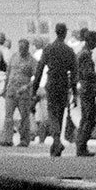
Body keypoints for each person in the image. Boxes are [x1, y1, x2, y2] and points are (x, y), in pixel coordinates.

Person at [33, 24, 75, 157]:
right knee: (60, 113)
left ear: (56, 32)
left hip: (51, 83)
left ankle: (56, 141)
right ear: (65, 33)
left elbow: (40, 69)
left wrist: (35, 87)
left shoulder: (48, 49)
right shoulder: (69, 50)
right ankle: (57, 142)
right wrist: (74, 90)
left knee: (52, 113)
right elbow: (74, 71)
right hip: (63, 82)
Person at [4, 38, 37, 147]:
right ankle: (7, 139)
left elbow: (36, 78)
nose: (21, 50)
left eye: (24, 48)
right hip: (11, 90)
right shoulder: (13, 57)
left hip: (23, 92)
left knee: (24, 117)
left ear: (27, 48)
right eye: (20, 47)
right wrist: (5, 88)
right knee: (8, 116)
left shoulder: (32, 61)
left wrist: (27, 87)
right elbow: (8, 73)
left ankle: (24, 140)